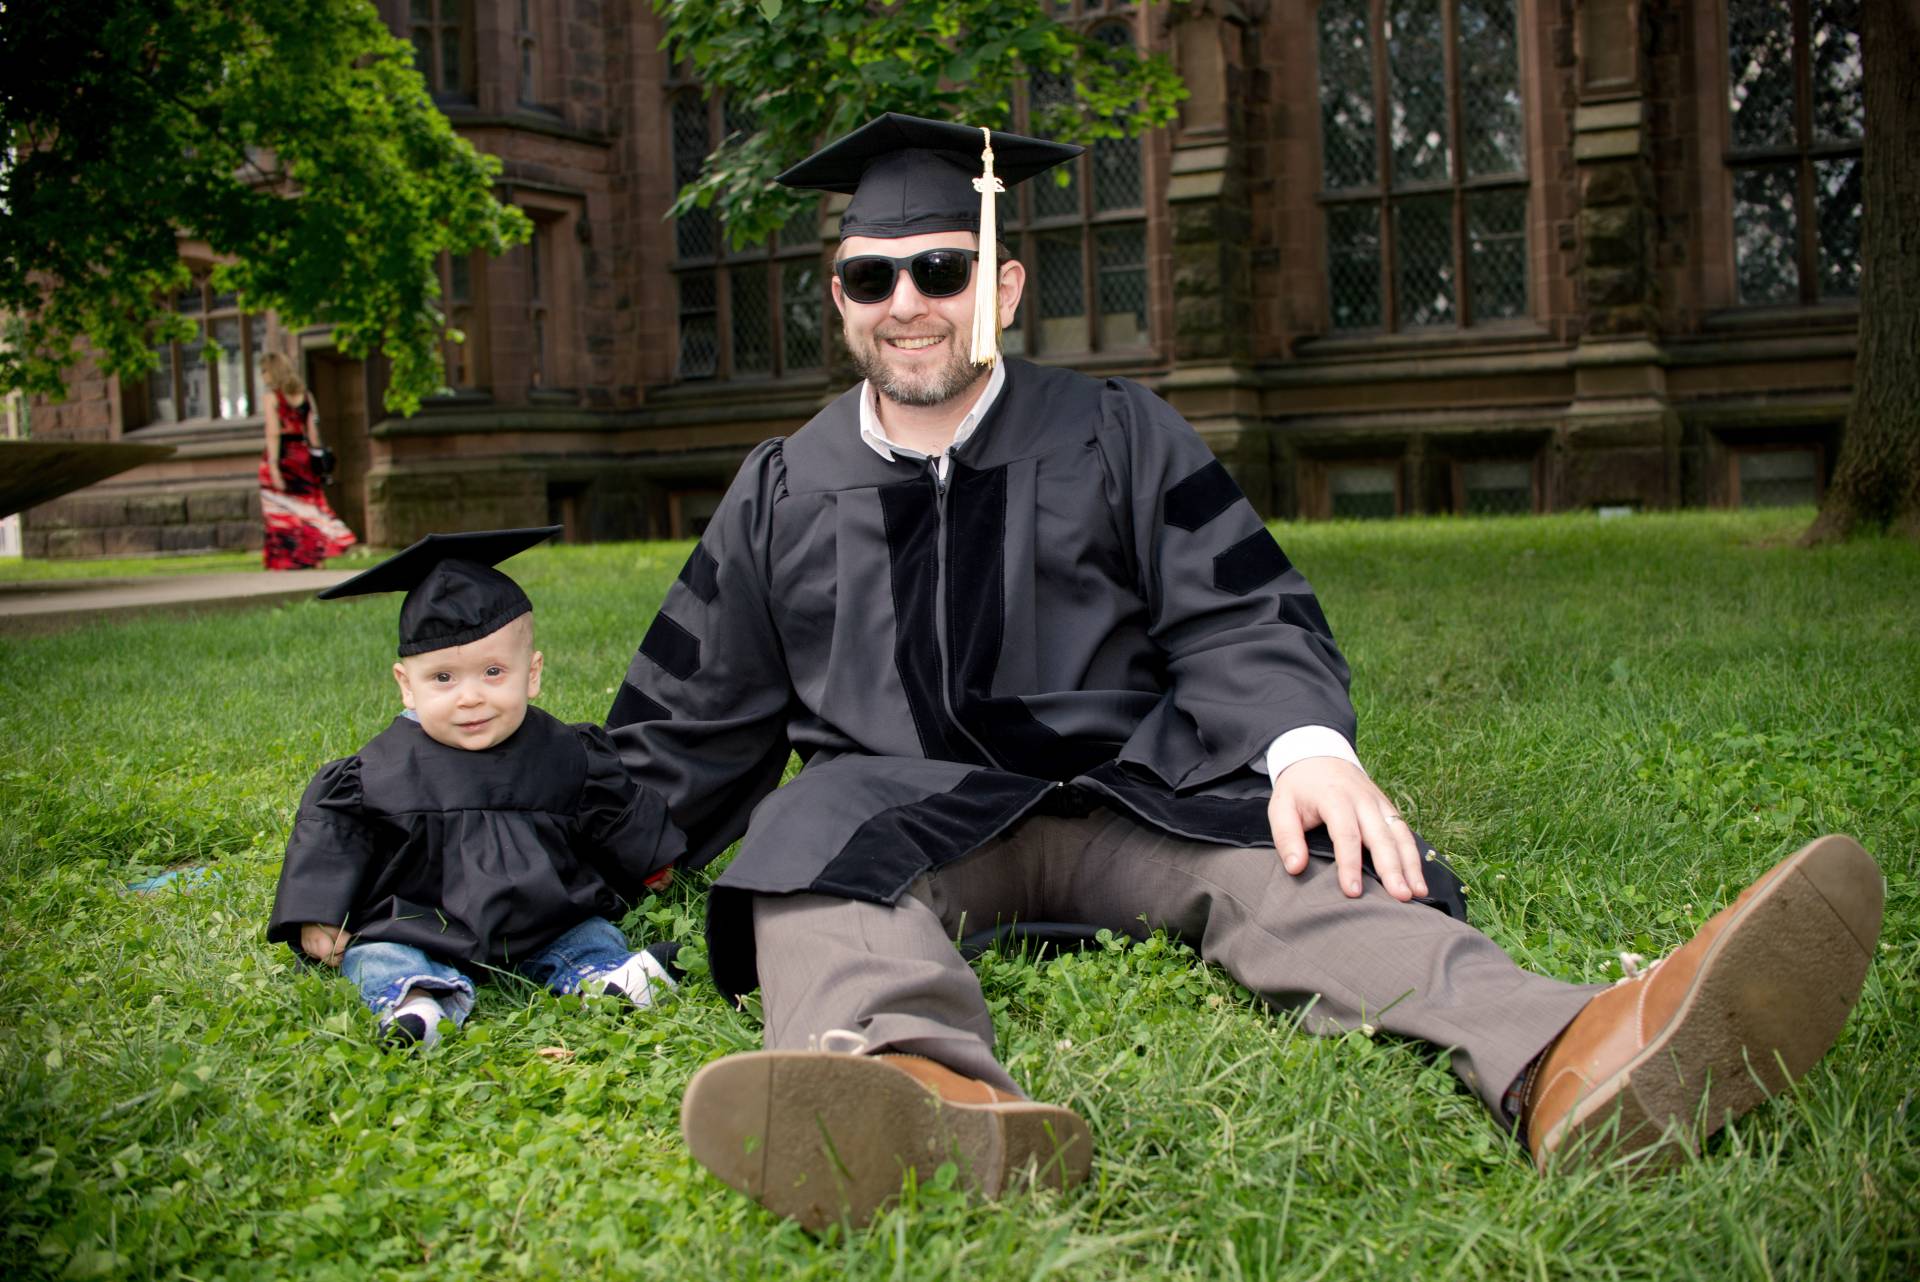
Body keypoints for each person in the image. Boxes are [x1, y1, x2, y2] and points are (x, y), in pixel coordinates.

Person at [605, 114, 1885, 1230]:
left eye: (938, 269)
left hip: (1120, 793)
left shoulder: (1117, 431)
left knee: (1297, 860)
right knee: (807, 852)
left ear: (1001, 287)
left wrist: (1307, 747)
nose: (905, 301)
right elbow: (690, 715)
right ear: (836, 296)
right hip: (899, 812)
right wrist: (516, 857)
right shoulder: (783, 486)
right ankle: (917, 1101)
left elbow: (1238, 609)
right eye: (871, 276)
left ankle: (1576, 1051)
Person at [269, 527, 683, 1049]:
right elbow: (332, 836)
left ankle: (605, 979)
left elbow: (609, 808)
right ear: (406, 684)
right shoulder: (378, 768)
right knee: (375, 952)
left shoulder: (565, 750)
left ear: (531, 675)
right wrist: (318, 915)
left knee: (590, 933)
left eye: (492, 672)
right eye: (443, 678)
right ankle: (415, 1002)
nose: (469, 698)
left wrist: (650, 860)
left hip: (542, 914)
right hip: (419, 922)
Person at [258, 350, 356, 570]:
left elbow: (273, 432)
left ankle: (289, 558)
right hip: (302, 457)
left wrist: (273, 466)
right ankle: (317, 555)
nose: (262, 376)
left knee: (280, 511)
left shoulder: (271, 398)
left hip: (282, 457)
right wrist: (317, 458)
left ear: (272, 371)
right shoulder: (305, 396)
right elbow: (313, 433)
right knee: (310, 508)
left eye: (264, 371)